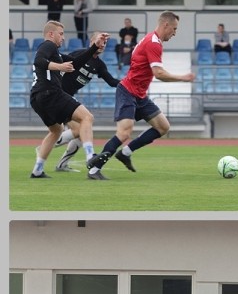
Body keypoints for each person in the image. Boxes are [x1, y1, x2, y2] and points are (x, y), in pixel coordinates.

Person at [86, 11, 196, 179]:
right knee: (124, 133)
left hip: (139, 95)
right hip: (128, 92)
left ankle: (126, 153)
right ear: (165, 25)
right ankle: (94, 170)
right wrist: (183, 78)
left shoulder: (150, 40)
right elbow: (158, 73)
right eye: (174, 29)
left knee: (163, 127)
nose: (174, 33)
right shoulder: (153, 43)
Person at [28, 22, 108, 178]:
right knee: (87, 117)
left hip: (37, 98)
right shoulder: (48, 46)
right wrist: (60, 67)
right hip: (50, 93)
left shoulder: (54, 53)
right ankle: (91, 157)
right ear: (51, 34)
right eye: (61, 33)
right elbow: (38, 60)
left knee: (56, 131)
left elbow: (75, 62)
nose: (63, 38)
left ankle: (37, 170)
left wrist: (93, 48)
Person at [52, 31, 122, 172]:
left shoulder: (100, 65)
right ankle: (47, 145)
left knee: (80, 133)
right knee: (81, 128)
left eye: (105, 43)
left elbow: (112, 81)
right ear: (91, 41)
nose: (102, 45)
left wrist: (129, 82)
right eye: (99, 41)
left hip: (69, 98)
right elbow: (59, 66)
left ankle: (61, 165)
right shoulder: (79, 54)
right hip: (60, 96)